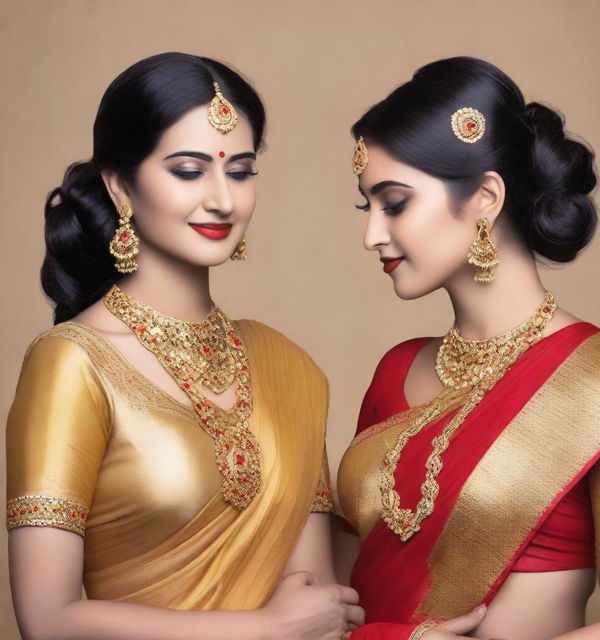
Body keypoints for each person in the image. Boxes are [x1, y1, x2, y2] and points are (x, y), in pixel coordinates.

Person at [6, 52, 363, 640]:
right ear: (121, 187)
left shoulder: (288, 367)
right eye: (189, 170)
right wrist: (265, 630)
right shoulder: (72, 362)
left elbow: (315, 606)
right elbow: (47, 620)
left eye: (241, 171)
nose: (223, 199)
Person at [335, 57, 600, 640]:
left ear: (484, 197)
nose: (372, 234)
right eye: (365, 206)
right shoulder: (397, 371)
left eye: (394, 202)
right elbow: (342, 601)